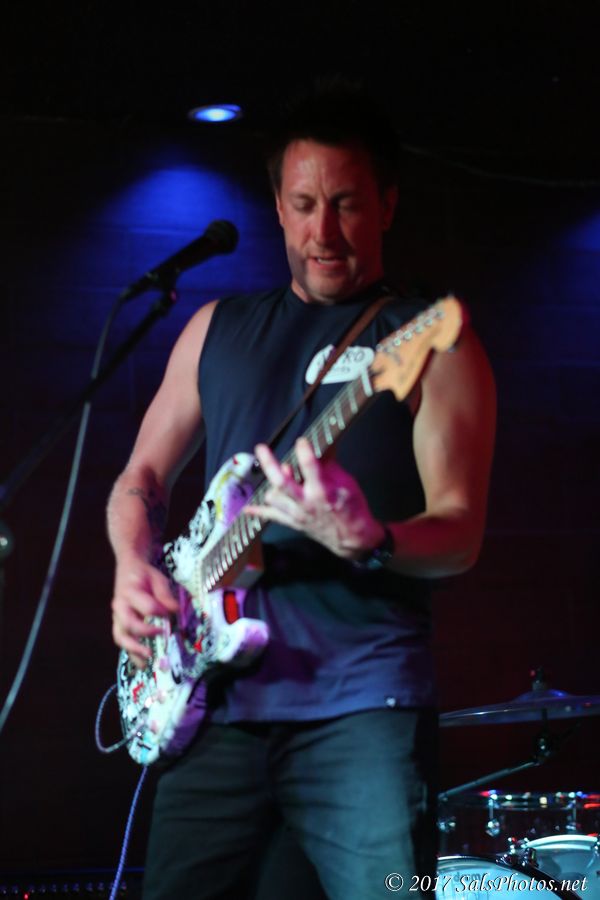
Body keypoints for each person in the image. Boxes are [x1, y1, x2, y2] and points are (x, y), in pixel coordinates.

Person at [108, 86, 496, 900]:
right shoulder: (214, 328)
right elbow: (140, 480)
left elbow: (460, 531)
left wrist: (370, 539)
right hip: (214, 707)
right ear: (278, 208)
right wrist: (132, 566)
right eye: (305, 205)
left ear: (387, 205)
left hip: (362, 709)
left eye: (347, 204)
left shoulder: (431, 339)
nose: (323, 232)